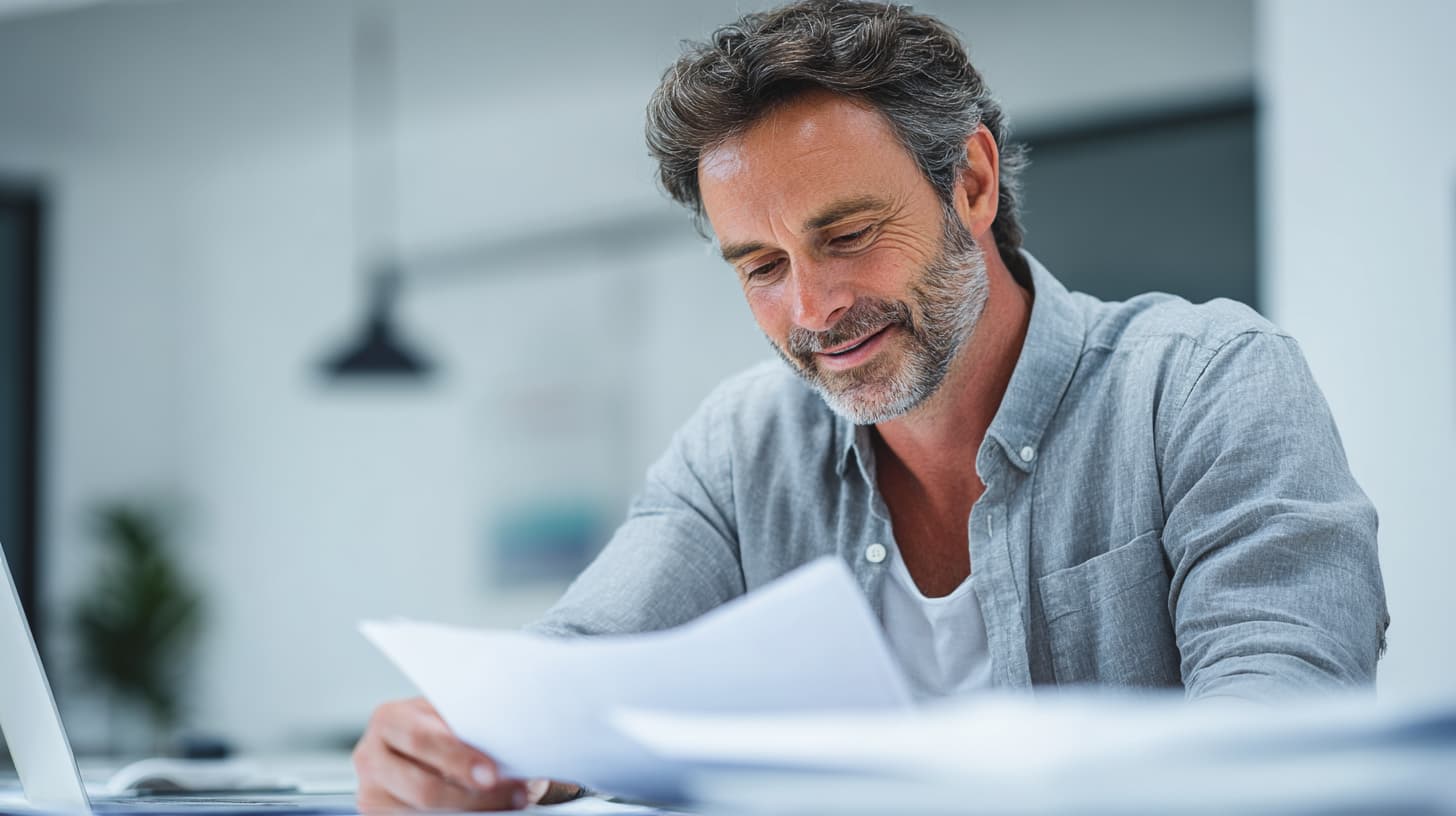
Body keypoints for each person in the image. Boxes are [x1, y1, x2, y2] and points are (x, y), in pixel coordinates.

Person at [351, 1, 1390, 810]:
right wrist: (475, 751)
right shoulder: (741, 447)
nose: (812, 310)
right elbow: (581, 664)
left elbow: (1281, 726)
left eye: (847, 235)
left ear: (970, 183)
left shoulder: (1206, 385)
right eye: (761, 266)